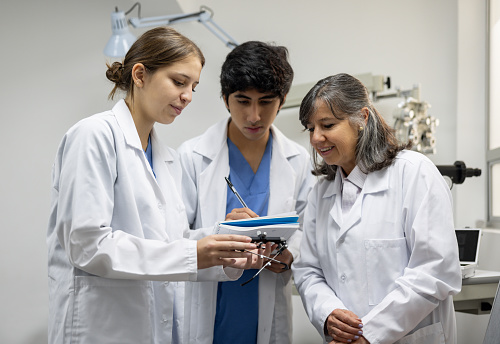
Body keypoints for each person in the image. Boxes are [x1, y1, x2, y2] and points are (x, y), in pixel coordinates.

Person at [46, 27, 261, 344]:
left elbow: (170, 241)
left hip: (157, 328)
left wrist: (220, 240)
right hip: (102, 328)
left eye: (193, 87)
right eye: (179, 82)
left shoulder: (168, 159)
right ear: (140, 75)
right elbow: (87, 244)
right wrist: (193, 253)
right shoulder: (94, 136)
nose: (187, 95)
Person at [292, 73, 462, 344]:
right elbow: (308, 270)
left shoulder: (414, 173)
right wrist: (328, 313)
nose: (316, 138)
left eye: (327, 125)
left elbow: (435, 270)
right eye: (310, 128)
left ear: (363, 119)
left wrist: (369, 335)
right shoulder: (320, 192)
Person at [177, 41, 316, 343]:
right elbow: (173, 239)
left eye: (266, 102)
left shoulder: (298, 160)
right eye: (243, 101)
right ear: (225, 99)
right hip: (210, 311)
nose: (254, 116)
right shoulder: (191, 157)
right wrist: (219, 234)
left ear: (283, 100)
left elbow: (309, 231)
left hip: (267, 306)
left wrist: (288, 254)